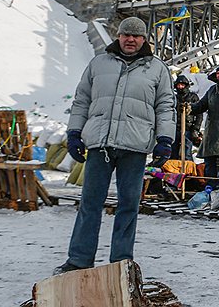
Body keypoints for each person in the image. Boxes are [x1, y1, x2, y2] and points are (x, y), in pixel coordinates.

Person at [55, 16, 175, 274]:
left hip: (135, 145)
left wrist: (165, 140)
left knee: (128, 204)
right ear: (118, 36)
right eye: (125, 34)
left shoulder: (156, 68)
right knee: (90, 203)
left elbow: (165, 106)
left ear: (144, 39)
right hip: (101, 142)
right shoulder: (99, 64)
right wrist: (74, 132)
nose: (130, 39)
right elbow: (81, 101)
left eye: (136, 35)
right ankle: (79, 259)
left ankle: (121, 261)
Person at [171, 75, 202, 160]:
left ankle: (188, 169)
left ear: (186, 85)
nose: (180, 87)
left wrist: (195, 128)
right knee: (173, 152)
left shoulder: (193, 97)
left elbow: (199, 114)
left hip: (188, 128)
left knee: (187, 152)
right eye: (178, 85)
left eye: (182, 85)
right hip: (175, 128)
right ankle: (174, 170)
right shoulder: (174, 98)